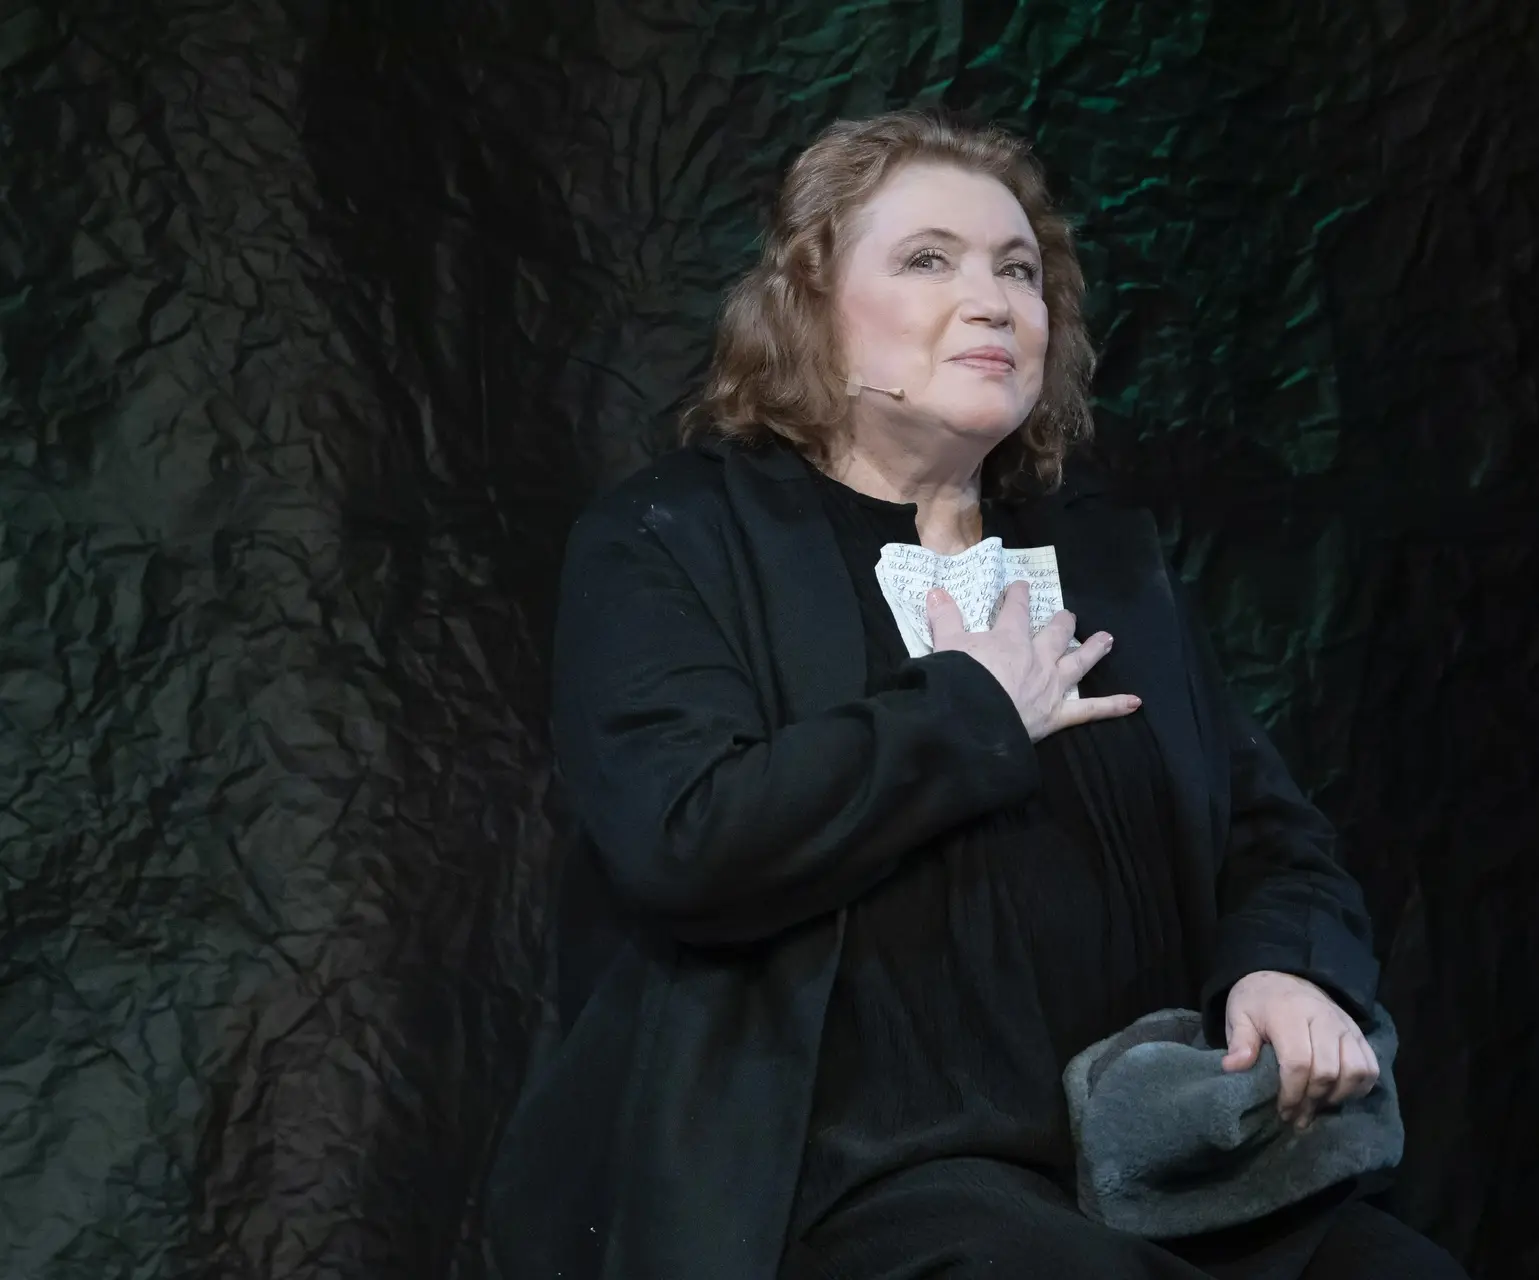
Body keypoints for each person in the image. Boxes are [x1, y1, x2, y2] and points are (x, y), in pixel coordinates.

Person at [485, 110, 1468, 1280]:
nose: (994, 300)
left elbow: (1269, 833)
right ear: (808, 306)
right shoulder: (678, 536)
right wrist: (970, 712)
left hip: (1135, 1162)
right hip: (849, 1168)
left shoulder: (1102, 559)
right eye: (927, 259)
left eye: (1019, 269)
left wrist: (1285, 965)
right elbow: (685, 838)